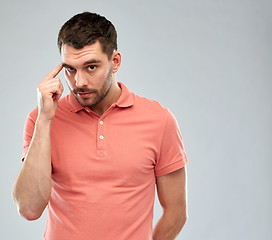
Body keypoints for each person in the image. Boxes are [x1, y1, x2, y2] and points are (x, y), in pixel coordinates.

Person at [12, 12, 188, 240]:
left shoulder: (159, 120)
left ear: (115, 62)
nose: (79, 82)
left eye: (91, 67)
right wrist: (46, 120)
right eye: (70, 69)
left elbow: (176, 212)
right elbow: (29, 208)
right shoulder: (41, 119)